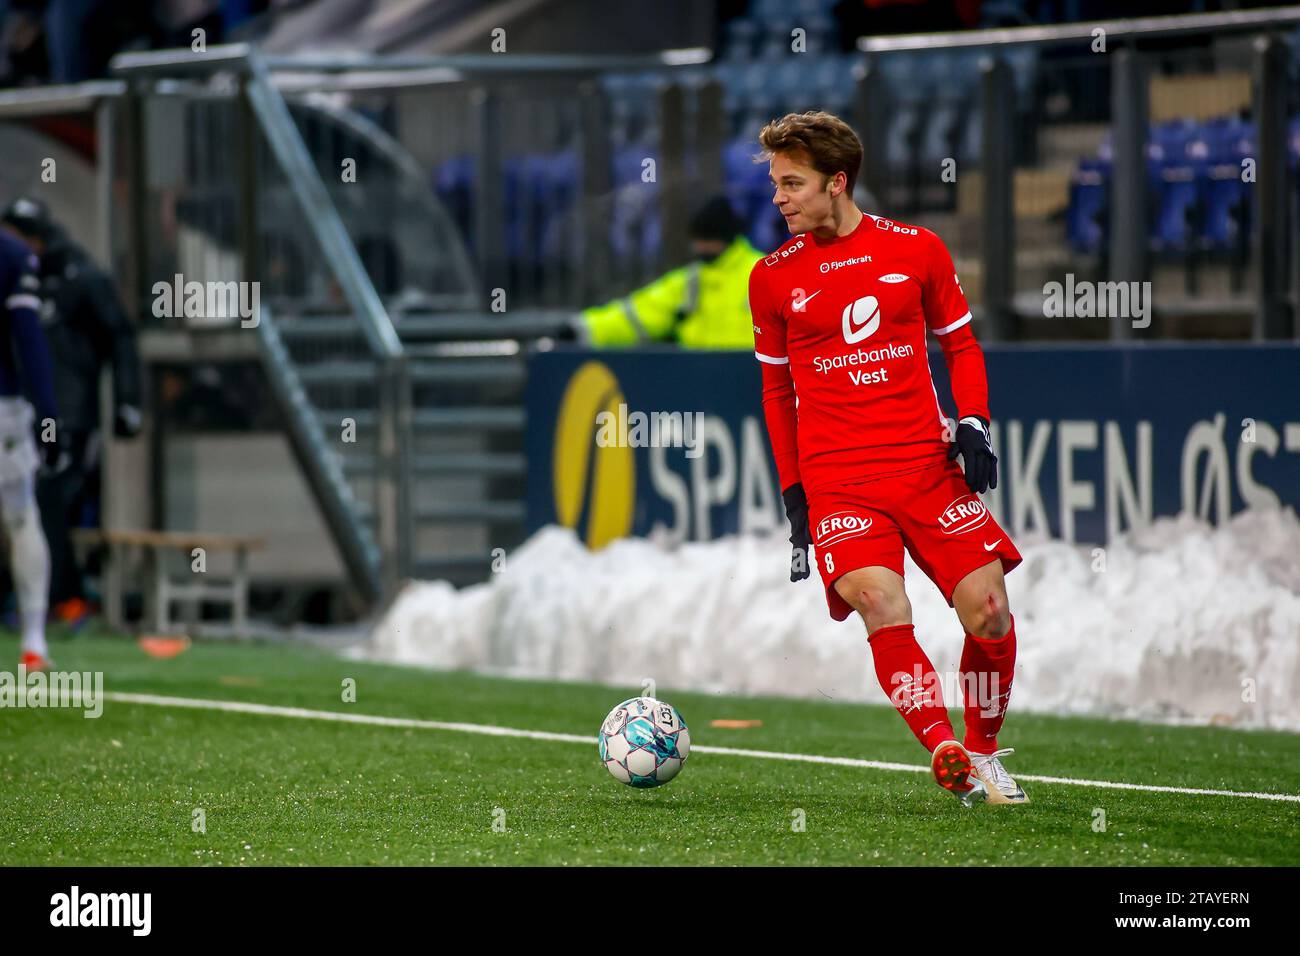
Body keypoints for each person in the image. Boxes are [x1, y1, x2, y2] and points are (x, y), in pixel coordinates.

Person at [748, 111, 1027, 805]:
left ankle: (986, 753)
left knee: (990, 611)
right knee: (880, 600)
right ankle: (946, 750)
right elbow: (776, 393)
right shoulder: (772, 278)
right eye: (777, 184)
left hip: (927, 470)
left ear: (836, 184)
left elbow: (960, 347)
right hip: (840, 483)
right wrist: (794, 495)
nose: (778, 198)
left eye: (793, 184)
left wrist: (973, 424)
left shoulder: (917, 250)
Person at [1, 197, 142, 626]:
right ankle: (35, 600)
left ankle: (64, 600)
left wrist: (127, 402)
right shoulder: (19, 275)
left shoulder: (83, 278)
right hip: (24, 408)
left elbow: (120, 338)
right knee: (30, 503)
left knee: (46, 499)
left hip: (68, 416)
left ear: (36, 239)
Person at [573, 195, 763, 348]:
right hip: (700, 382)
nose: (700, 248)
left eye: (706, 240)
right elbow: (637, 315)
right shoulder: (691, 281)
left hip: (753, 383)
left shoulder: (765, 273)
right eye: (698, 241)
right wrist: (582, 329)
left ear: (723, 237)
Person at [0, 225, 58, 670]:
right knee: (21, 517)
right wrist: (50, 418)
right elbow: (29, 339)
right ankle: (34, 643)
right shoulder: (12, 254)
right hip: (4, 407)